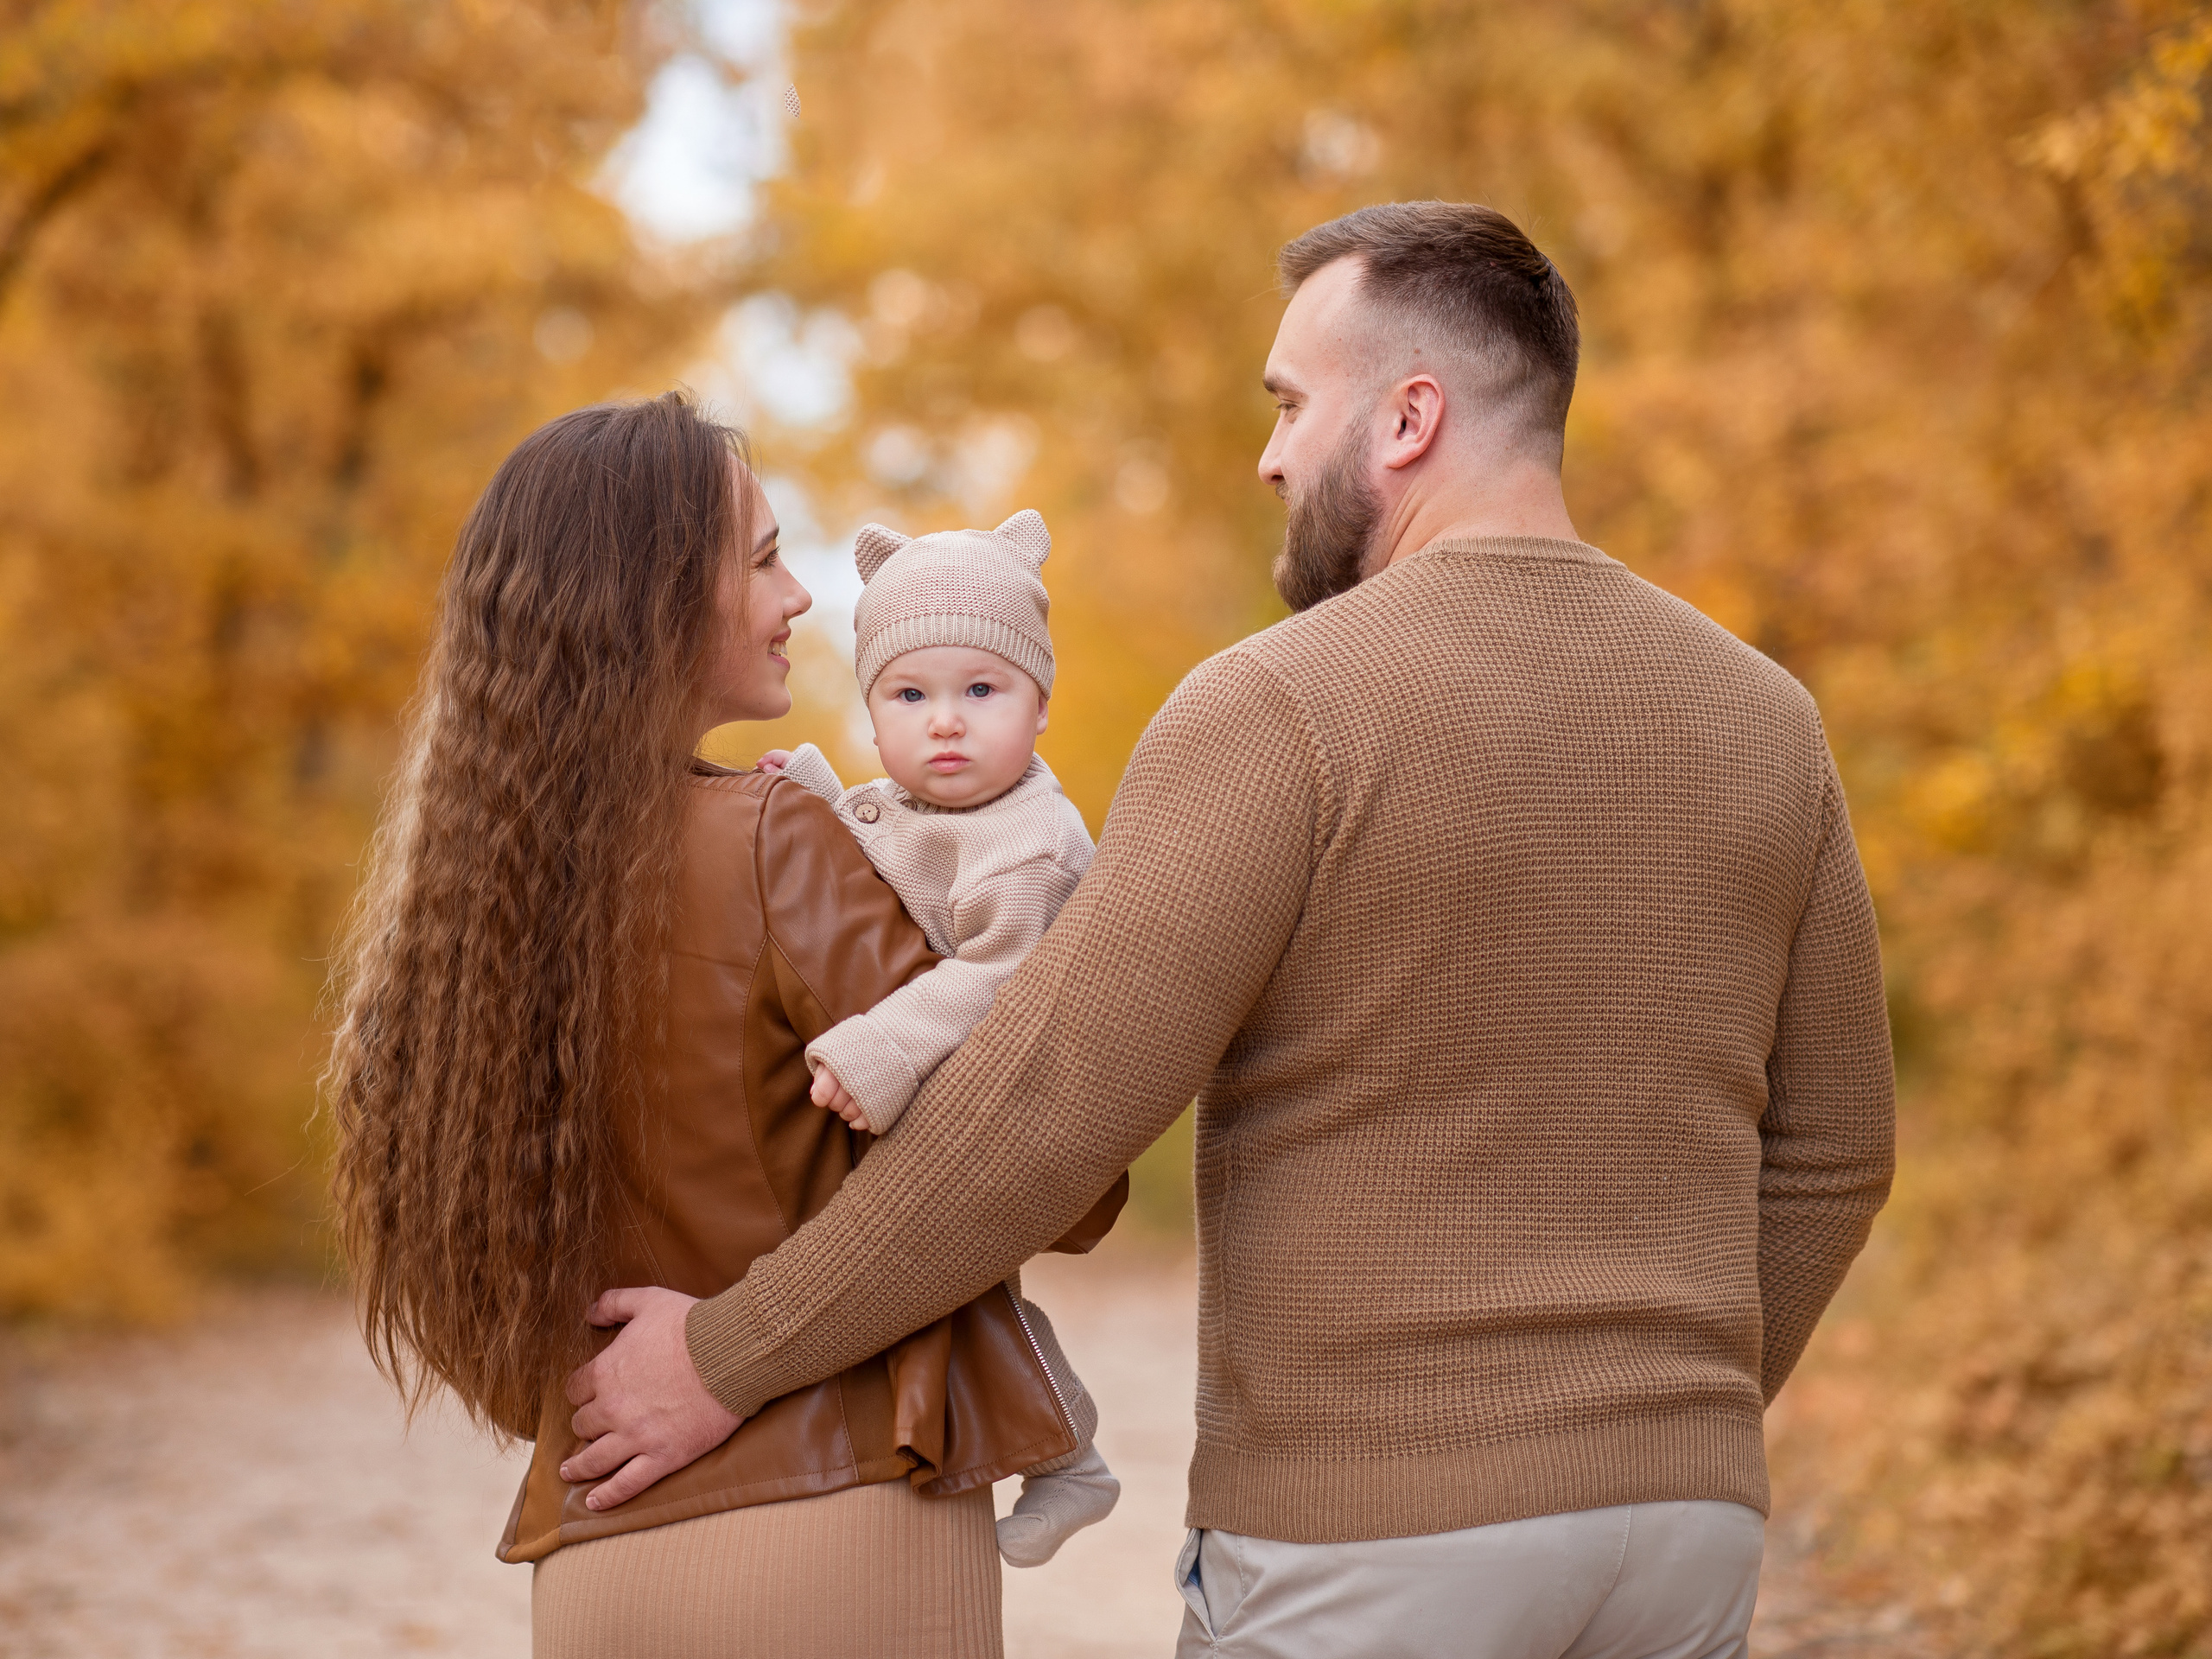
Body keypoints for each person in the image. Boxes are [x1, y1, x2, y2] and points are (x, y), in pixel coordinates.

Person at [563, 203, 1897, 1659]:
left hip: (1376, 1537)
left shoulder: (1281, 707)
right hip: (1687, 1533)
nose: (1267, 455)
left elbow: (1048, 1108)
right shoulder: (1768, 718)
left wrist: (725, 1353)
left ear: (1408, 418)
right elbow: (1839, 1150)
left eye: (1289, 403)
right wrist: (1656, 1423)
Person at [325, 392, 1123, 1659]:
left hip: (594, 1558)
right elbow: (1054, 1180)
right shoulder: (773, 841)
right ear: (653, 599)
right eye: (761, 559)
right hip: (840, 1531)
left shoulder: (470, 912)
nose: (799, 596)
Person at [758, 508, 1120, 1566]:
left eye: (982, 691)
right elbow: (893, 870)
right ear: (875, 715)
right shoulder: (929, 805)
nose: (946, 724)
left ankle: (1073, 1455)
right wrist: (820, 804)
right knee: (957, 1291)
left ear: (1040, 707)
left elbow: (997, 976)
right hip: (964, 1089)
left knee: (959, 1277)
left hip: (1029, 1091)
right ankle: (1064, 1457)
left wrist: (882, 1045)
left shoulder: (1030, 843)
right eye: (909, 696)